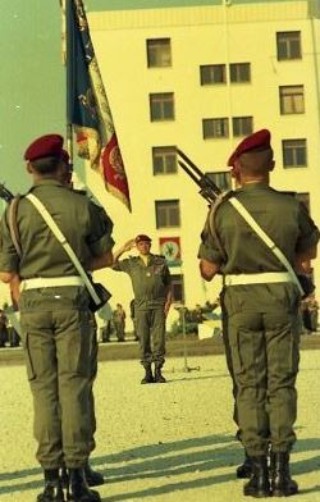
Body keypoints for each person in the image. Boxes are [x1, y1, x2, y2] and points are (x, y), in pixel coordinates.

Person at [198, 129, 320, 498]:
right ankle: (282, 471)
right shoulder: (291, 206)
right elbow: (307, 254)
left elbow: (206, 268)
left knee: (249, 384)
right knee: (281, 382)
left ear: (236, 170)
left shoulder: (222, 209)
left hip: (240, 301)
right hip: (281, 298)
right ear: (272, 165)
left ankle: (258, 472)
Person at [0, 134, 115, 502]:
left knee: (44, 390)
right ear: (64, 166)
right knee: (74, 385)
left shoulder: (15, 210)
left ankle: (51, 479)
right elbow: (106, 257)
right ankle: (77, 477)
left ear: (30, 167)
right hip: (72, 299)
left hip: (33, 303)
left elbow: (6, 273)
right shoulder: (82, 206)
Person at [112, 234, 172, 384]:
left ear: (150, 245)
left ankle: (158, 372)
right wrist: (123, 249)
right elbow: (111, 263)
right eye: (141, 244)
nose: (144, 246)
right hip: (141, 306)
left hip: (158, 305)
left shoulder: (160, 262)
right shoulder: (131, 263)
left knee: (159, 339)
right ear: (137, 247)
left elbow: (169, 284)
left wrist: (168, 303)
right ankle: (147, 373)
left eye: (146, 244)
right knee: (143, 339)